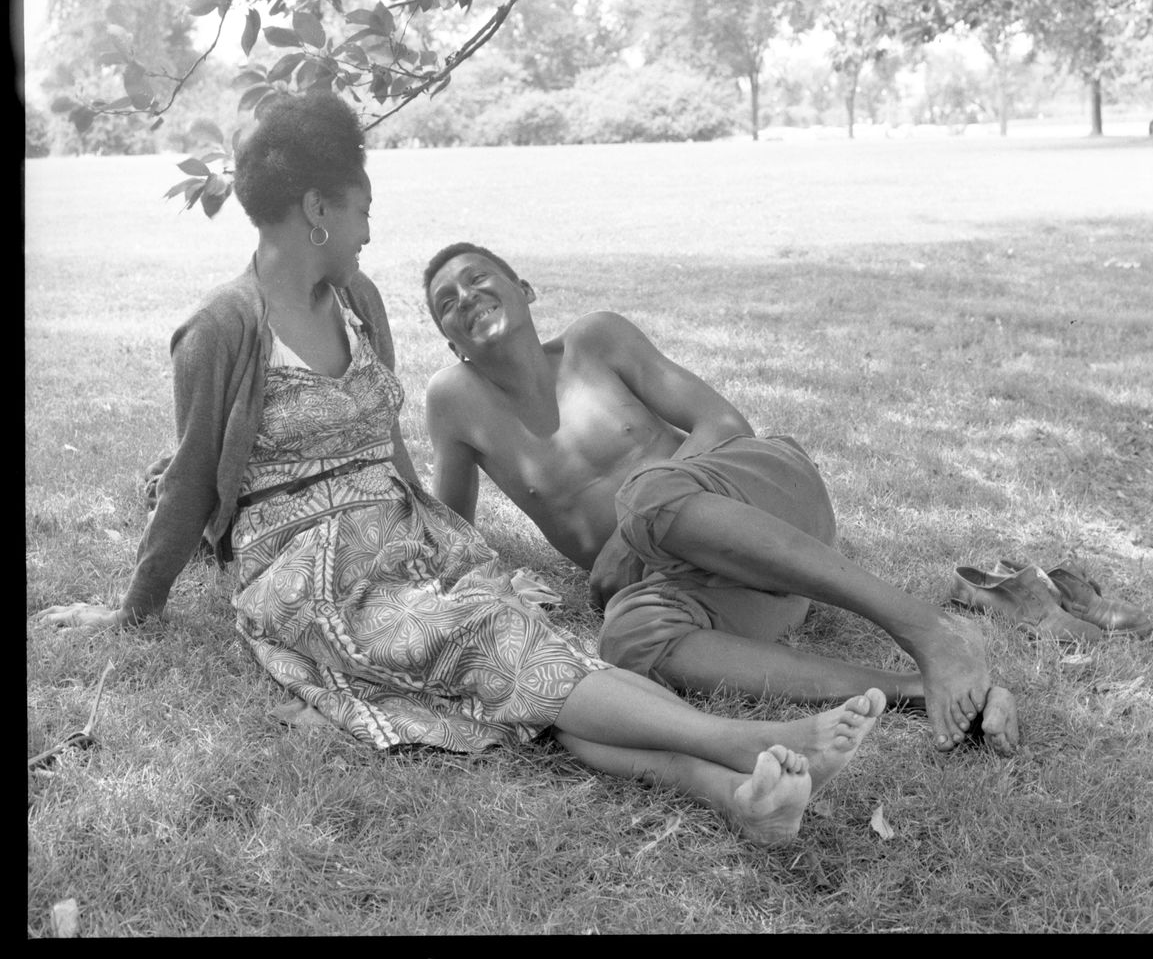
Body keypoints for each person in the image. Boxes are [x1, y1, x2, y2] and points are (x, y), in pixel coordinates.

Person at [35, 92, 890, 848]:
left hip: (402, 534)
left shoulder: (359, 301)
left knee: (526, 663)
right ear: (317, 211)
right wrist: (132, 610)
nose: (372, 229)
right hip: (308, 565)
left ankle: (736, 798)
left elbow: (387, 443)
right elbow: (190, 484)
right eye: (364, 208)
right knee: (493, 646)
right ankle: (741, 743)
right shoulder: (220, 330)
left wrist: (448, 539)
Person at [422, 243, 1020, 756]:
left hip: (763, 496)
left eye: (477, 279)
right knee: (627, 637)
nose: (465, 297)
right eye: (446, 303)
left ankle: (930, 628)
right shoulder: (454, 402)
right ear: (451, 343)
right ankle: (915, 690)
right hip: (721, 584)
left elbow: (724, 423)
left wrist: (628, 533)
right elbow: (448, 531)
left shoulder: (594, 340)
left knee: (648, 495)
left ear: (524, 289)